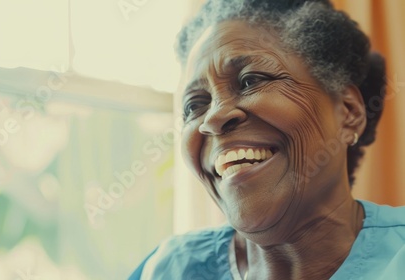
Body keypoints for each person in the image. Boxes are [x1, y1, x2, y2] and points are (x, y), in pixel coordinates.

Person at [129, 0, 405, 279]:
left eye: (251, 81)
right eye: (194, 105)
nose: (212, 119)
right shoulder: (171, 268)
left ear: (348, 113)